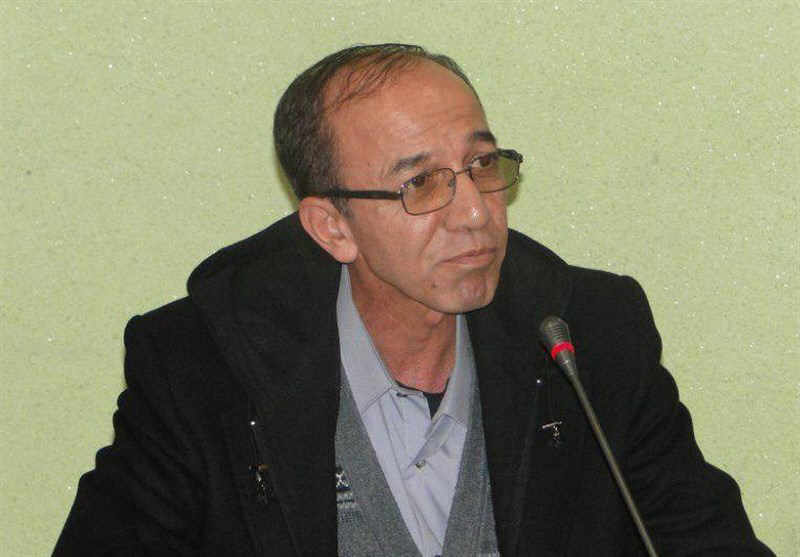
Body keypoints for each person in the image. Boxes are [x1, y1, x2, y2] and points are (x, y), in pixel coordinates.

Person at [54, 43, 773, 556]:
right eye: (421, 183)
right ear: (332, 227)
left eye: (482, 164)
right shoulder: (200, 366)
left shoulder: (590, 339)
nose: (475, 212)